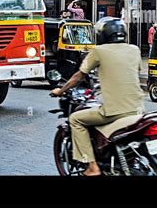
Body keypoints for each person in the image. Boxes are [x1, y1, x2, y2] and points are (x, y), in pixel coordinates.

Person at [50, 17, 144, 176]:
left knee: (75, 119)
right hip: (138, 110)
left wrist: (60, 90)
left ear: (102, 35)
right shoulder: (134, 49)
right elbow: (132, 72)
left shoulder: (98, 51)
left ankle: (92, 166)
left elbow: (78, 76)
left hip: (114, 111)